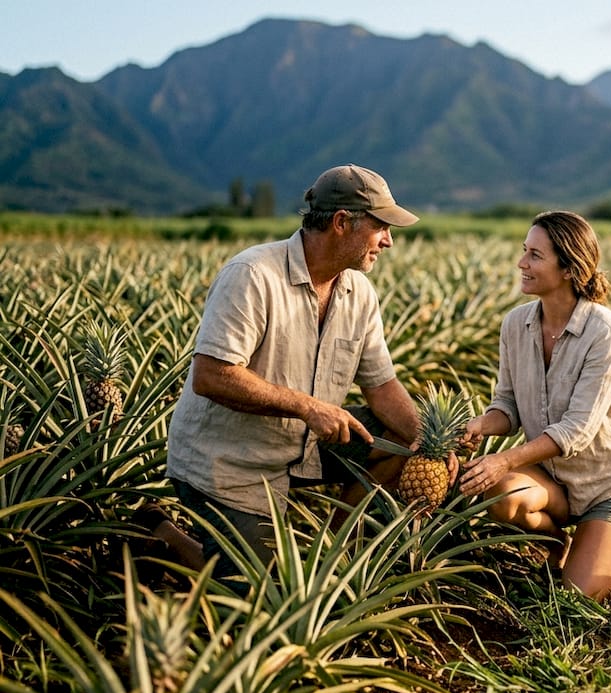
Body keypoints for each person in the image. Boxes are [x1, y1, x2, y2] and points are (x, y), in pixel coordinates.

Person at [163, 164, 424, 583]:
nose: (389, 241)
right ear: (342, 223)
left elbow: (381, 384)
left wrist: (425, 437)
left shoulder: (359, 293)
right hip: (230, 462)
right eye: (381, 227)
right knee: (263, 598)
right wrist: (307, 407)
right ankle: (165, 537)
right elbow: (211, 375)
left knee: (401, 438)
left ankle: (332, 555)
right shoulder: (252, 275)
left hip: (302, 448)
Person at [457, 210, 611, 602]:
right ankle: (560, 544)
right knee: (500, 496)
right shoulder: (515, 325)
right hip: (554, 479)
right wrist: (480, 425)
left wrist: (504, 461)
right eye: (524, 251)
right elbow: (507, 406)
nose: (522, 263)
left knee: (579, 595)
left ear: (570, 268)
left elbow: (577, 430)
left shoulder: (604, 332)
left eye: (535, 255)